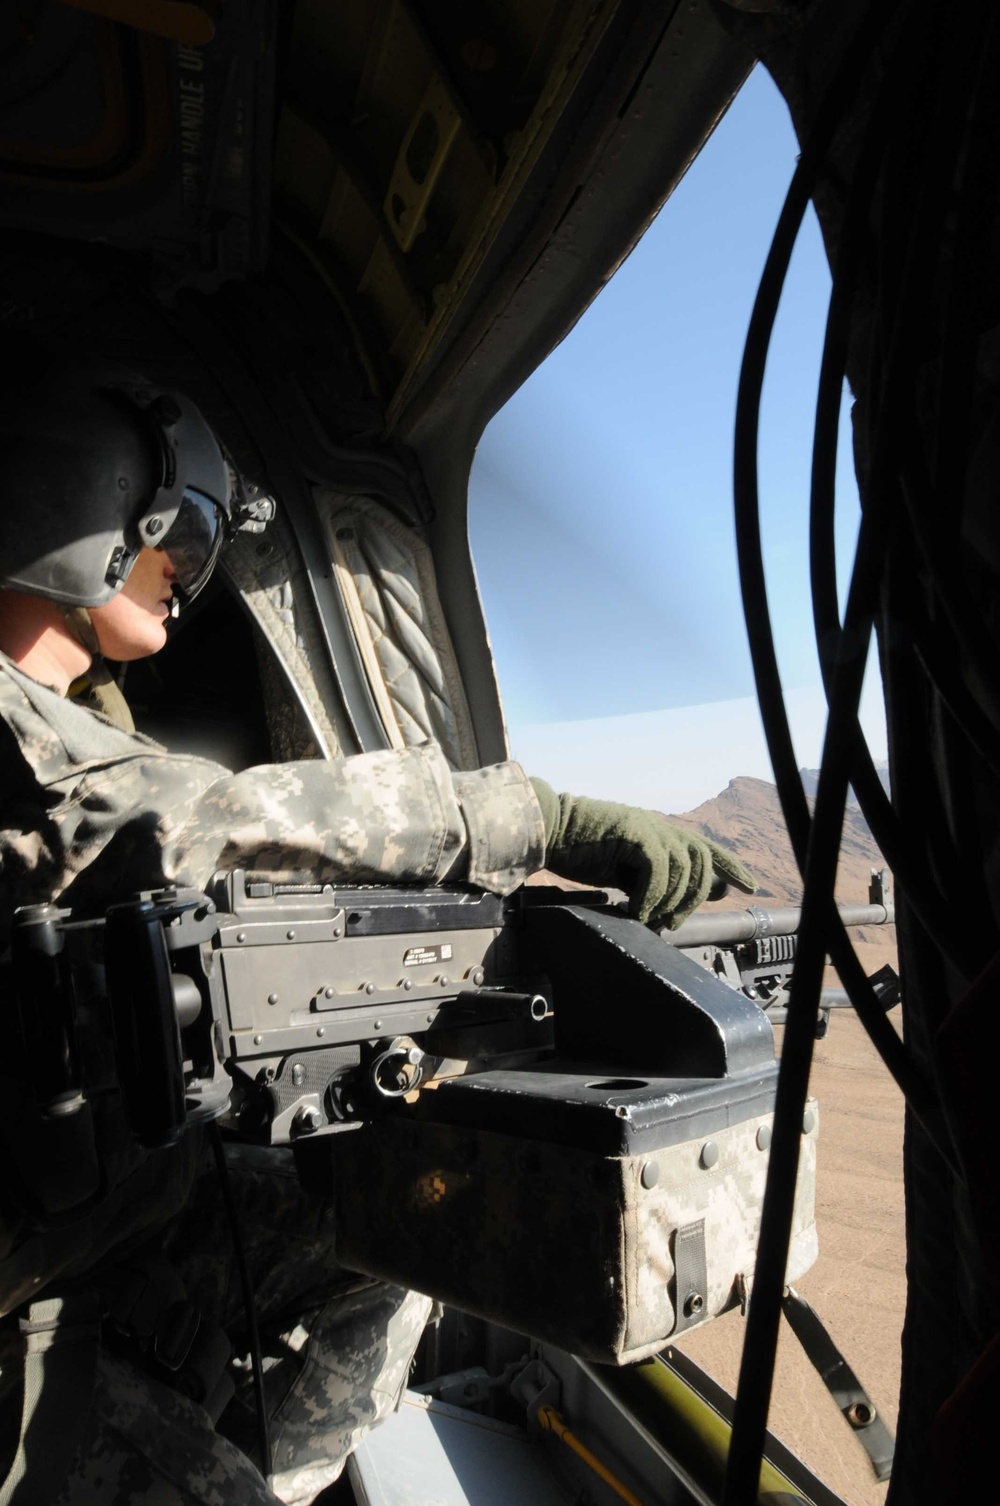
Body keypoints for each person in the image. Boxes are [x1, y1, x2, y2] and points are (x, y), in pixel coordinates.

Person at [0, 350, 754, 1504]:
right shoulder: (31, 750)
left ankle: (272, 1468)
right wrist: (534, 813)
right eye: (178, 532)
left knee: (398, 1192)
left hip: (72, 1210)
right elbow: (200, 823)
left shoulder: (71, 733)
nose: (184, 577)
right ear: (79, 514)